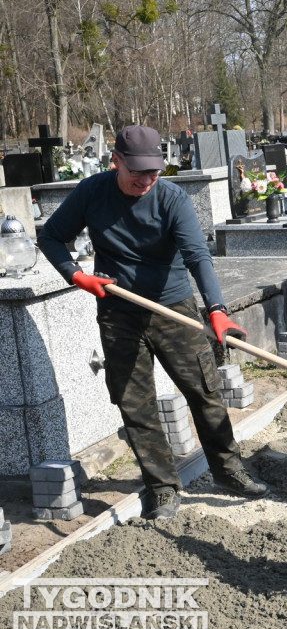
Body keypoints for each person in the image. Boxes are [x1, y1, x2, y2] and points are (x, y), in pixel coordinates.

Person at [37, 125, 268, 521]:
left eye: (153, 172)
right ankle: (162, 488)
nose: (146, 180)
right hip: (118, 313)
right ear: (117, 161)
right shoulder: (92, 192)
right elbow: (52, 237)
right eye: (137, 172)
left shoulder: (171, 198)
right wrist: (76, 275)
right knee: (135, 403)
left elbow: (197, 254)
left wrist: (215, 308)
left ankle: (229, 472)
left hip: (173, 307)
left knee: (204, 391)